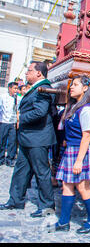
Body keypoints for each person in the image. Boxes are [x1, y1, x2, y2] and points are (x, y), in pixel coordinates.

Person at [0, 62, 57, 217]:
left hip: (38, 137)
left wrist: (21, 118)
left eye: (29, 70)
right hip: (28, 136)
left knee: (41, 172)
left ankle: (47, 206)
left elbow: (40, 111)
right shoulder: (36, 88)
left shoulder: (44, 88)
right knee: (21, 170)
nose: (26, 73)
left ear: (39, 73)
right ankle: (15, 199)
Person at [51, 75, 90, 233]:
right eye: (71, 85)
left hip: (82, 150)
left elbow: (86, 136)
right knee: (67, 184)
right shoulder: (75, 106)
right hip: (72, 148)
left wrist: (79, 161)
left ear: (85, 88)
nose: (71, 87)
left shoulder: (87, 109)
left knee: (83, 186)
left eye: (76, 85)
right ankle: (64, 222)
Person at [0, 82, 19, 167]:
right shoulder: (3, 97)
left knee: (12, 141)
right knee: (2, 141)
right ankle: (1, 158)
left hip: (13, 122)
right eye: (14, 88)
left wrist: (17, 121)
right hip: (4, 121)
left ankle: (10, 159)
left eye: (16, 88)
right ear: (9, 88)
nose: (16, 90)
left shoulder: (16, 98)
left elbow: (17, 111)